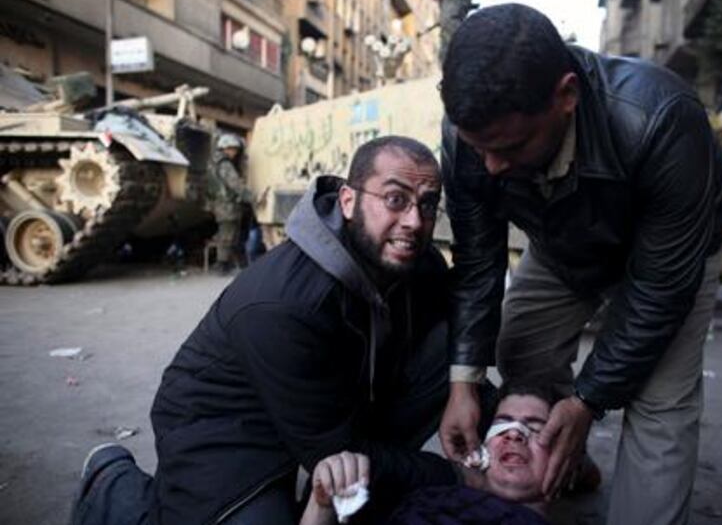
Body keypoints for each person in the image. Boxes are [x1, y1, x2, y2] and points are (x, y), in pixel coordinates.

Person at [71, 136, 486, 525]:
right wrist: (455, 476)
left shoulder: (417, 262)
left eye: (428, 204)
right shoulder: (282, 305)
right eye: (395, 200)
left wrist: (501, 433)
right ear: (347, 200)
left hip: (329, 400)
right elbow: (335, 450)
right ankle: (111, 481)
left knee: (451, 345)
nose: (414, 221)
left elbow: (469, 326)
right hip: (228, 427)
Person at [436, 4, 722, 525]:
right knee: (521, 351)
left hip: (671, 260)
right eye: (476, 148)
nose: (491, 167)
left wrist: (587, 401)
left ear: (566, 96)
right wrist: (463, 381)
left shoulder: (661, 118)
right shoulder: (472, 130)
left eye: (510, 147)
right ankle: (566, 461)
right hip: (562, 247)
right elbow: (479, 259)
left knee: (659, 407)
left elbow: (658, 292)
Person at [301, 384, 556, 525]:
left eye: (534, 428)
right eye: (503, 423)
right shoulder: (420, 488)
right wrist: (321, 502)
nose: (514, 434)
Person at [207, 133, 254, 273]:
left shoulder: (214, 163)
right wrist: (252, 197)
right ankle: (222, 265)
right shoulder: (225, 165)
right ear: (225, 149)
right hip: (227, 206)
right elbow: (235, 185)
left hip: (220, 204)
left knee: (227, 234)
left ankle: (225, 263)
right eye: (232, 149)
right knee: (227, 235)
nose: (235, 152)